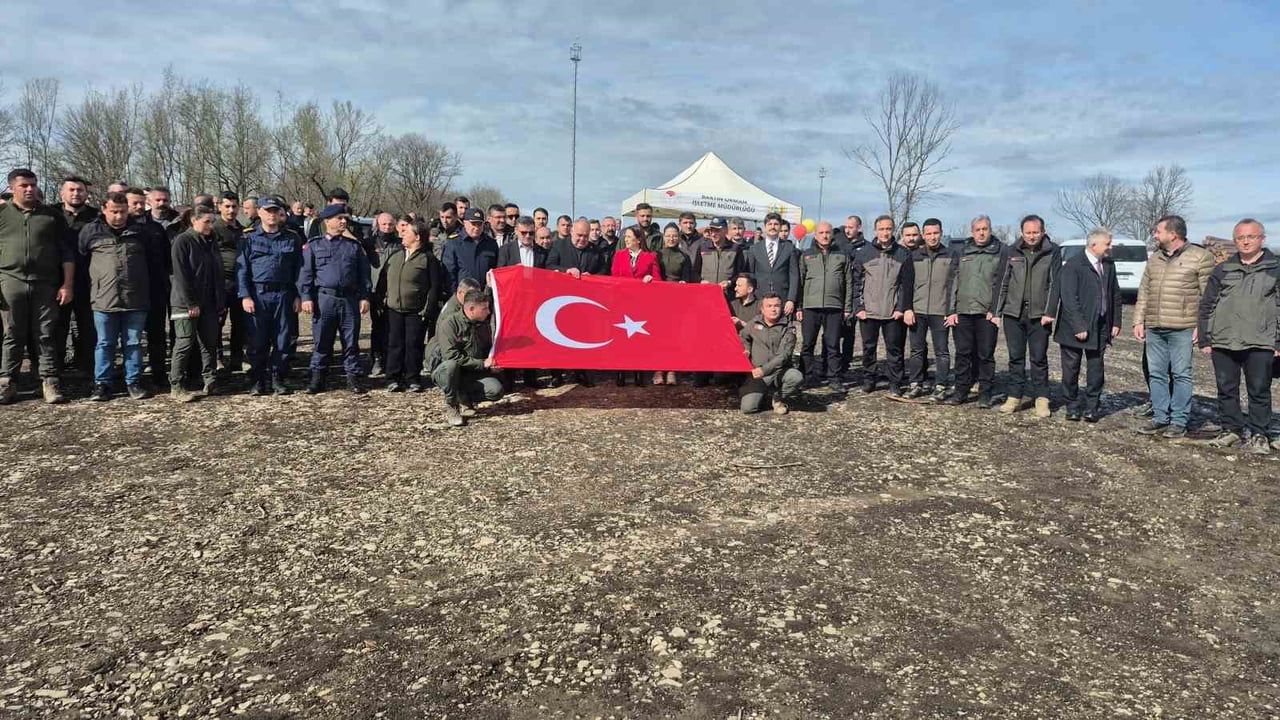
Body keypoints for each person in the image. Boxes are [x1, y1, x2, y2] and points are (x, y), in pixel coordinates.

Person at [1196, 219, 1278, 453]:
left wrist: (1278, 341)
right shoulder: (1223, 269)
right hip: (1224, 340)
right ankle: (1231, 429)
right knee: (1226, 389)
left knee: (1259, 390)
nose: (1245, 241)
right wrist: (1205, 337)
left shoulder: (1275, 268)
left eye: (1250, 236)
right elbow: (1207, 305)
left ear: (1262, 238)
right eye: (1240, 237)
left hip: (1260, 341)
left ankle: (1260, 434)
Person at [1133, 214, 1216, 438]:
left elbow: (1208, 296)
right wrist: (1139, 320)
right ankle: (1160, 417)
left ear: (1173, 234)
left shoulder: (1200, 257)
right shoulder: (1155, 259)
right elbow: (1144, 291)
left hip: (1183, 327)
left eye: (1158, 231)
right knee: (1156, 374)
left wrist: (1202, 325)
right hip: (1155, 326)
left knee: (1181, 374)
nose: (1155, 235)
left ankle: (1178, 421)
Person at [0, 168, 74, 405]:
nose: (30, 189)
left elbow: (67, 254)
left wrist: (67, 284)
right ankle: (7, 382)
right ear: (12, 188)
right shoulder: (2, 214)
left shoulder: (52, 216)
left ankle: (49, 381)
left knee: (45, 333)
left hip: (46, 283)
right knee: (12, 333)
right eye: (24, 186)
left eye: (33, 184)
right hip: (10, 280)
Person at [79, 192, 152, 401]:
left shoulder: (140, 232)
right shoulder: (91, 231)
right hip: (103, 299)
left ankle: (134, 381)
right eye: (114, 212)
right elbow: (82, 261)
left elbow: (154, 263)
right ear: (104, 209)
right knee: (104, 343)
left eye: (122, 212)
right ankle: (102, 383)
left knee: (133, 342)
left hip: (135, 298)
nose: (119, 216)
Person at [299, 204, 372, 395]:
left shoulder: (354, 246)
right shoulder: (314, 245)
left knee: (351, 341)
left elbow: (363, 274)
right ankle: (317, 379)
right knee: (322, 341)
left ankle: (353, 378)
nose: (343, 222)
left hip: (348, 299)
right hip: (325, 299)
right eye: (339, 218)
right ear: (327, 221)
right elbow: (306, 273)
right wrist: (306, 297)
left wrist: (364, 297)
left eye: (345, 218)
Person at [237, 196, 303, 396]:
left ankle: (278, 379)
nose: (272, 215)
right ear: (259, 212)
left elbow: (299, 269)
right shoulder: (248, 238)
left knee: (283, 340)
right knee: (258, 340)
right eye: (268, 211)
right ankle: (257, 380)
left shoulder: (292, 238)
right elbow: (242, 270)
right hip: (258, 294)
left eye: (275, 211)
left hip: (284, 294)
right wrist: (245, 296)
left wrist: (299, 295)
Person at [996, 214, 1061, 417]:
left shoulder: (1053, 251)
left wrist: (1050, 312)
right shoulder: (1011, 251)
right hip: (1013, 313)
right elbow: (1003, 281)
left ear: (1043, 232)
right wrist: (997, 311)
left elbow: (1055, 284)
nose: (1032, 236)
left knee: (1038, 358)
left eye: (1035, 232)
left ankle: (1042, 398)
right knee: (1015, 357)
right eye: (1028, 232)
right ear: (1021, 233)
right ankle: (1014, 396)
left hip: (1039, 315)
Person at [1056, 229, 1122, 422]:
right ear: (1094, 245)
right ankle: (1072, 405)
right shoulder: (1073, 265)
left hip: (1100, 325)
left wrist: (1116, 321)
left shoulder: (1108, 265)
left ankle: (1092, 406)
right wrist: (1079, 325)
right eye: (1107, 244)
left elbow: (1114, 294)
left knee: (1096, 369)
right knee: (1071, 369)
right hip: (1074, 328)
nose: (1111, 247)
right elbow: (1069, 298)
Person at [944, 215, 1008, 407]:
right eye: (978, 229)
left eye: (985, 229)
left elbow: (1002, 283)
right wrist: (951, 310)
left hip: (986, 314)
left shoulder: (1000, 251)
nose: (981, 232)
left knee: (985, 354)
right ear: (972, 231)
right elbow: (952, 280)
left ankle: (985, 394)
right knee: (963, 353)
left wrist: (995, 311)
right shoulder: (961, 250)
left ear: (990, 230)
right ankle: (961, 391)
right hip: (963, 312)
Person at [851, 215, 914, 397]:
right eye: (881, 229)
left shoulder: (903, 254)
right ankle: (869, 379)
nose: (885, 233)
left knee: (894, 349)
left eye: (888, 229)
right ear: (875, 231)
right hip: (868, 312)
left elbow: (905, 285)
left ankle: (895, 382)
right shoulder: (864, 253)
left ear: (893, 230)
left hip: (892, 312)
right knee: (868, 348)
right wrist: (859, 307)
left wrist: (900, 308)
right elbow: (856, 283)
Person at [168, 205, 225, 401]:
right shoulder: (182, 241)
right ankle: (176, 384)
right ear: (194, 221)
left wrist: (219, 301)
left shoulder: (211, 242)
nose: (211, 225)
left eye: (212, 221)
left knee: (209, 343)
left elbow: (217, 273)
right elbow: (182, 276)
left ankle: (210, 381)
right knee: (184, 343)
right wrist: (190, 303)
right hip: (186, 303)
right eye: (206, 221)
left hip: (209, 302)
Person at [380, 218, 441, 393]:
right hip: (393, 309)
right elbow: (383, 280)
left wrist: (427, 310)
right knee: (394, 344)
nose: (402, 234)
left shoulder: (428, 259)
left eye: (406, 232)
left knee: (413, 344)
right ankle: (393, 378)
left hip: (416, 311)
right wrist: (380, 300)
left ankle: (412, 378)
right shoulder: (395, 256)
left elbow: (434, 286)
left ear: (417, 237)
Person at [432, 288, 504, 427]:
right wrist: (482, 364)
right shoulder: (450, 324)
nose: (488, 312)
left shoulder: (483, 325)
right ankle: (452, 405)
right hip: (447, 372)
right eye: (484, 309)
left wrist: (492, 365)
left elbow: (485, 351)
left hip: (471, 373)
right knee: (451, 366)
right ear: (471, 309)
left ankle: (464, 398)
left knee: (496, 390)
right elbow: (451, 356)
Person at [125, 187, 174, 387]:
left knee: (157, 332)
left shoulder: (156, 228)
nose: (161, 203)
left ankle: (159, 372)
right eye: (157, 200)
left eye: (165, 200)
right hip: (131, 286)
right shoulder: (119, 224)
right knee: (132, 334)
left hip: (158, 284)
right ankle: (130, 375)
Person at [797, 222, 853, 392]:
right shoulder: (806, 255)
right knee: (808, 344)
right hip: (810, 306)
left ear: (832, 234)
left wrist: (847, 307)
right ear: (815, 235)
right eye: (821, 232)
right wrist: (799, 307)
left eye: (828, 232)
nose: (825, 236)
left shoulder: (842, 255)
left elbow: (849, 282)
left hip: (834, 306)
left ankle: (834, 378)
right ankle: (808, 376)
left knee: (833, 344)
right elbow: (800, 281)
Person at [905, 218, 954, 400]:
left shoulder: (950, 255)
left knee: (941, 351)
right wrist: (908, 308)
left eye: (936, 233)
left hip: (940, 311)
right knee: (916, 350)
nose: (932, 237)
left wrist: (951, 310)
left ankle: (941, 385)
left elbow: (953, 285)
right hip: (917, 310)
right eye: (929, 233)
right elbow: (907, 285)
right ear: (923, 235)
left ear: (941, 233)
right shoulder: (914, 256)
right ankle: (915, 384)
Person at [57, 175, 100, 375]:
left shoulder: (97, 216)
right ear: (62, 193)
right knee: (58, 327)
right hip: (56, 280)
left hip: (88, 280)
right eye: (71, 190)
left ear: (86, 193)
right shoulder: (52, 214)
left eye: (80, 190)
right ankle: (55, 371)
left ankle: (89, 368)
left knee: (88, 328)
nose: (76, 193)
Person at [610, 225, 661, 386]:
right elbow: (614, 278)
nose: (626, 239)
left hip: (641, 304)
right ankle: (621, 372)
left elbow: (658, 279)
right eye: (625, 237)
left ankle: (639, 373)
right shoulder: (619, 255)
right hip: (622, 303)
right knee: (621, 338)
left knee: (639, 339)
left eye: (629, 237)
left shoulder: (650, 256)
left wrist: (650, 278)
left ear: (638, 240)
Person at [738, 294, 803, 414]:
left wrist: (764, 369)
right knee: (748, 408)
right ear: (762, 309)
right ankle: (759, 393)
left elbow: (784, 355)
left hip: (780, 372)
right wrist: (746, 349)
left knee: (796, 377)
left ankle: (778, 398)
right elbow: (743, 337)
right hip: (758, 374)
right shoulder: (754, 323)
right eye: (769, 306)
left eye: (777, 306)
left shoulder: (788, 327)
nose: (773, 309)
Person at [213, 191, 248, 372]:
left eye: (234, 206)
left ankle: (237, 358)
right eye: (227, 206)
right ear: (219, 207)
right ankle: (217, 358)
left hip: (239, 282)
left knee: (240, 322)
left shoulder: (242, 230)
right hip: (220, 282)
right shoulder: (213, 228)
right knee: (217, 322)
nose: (231, 210)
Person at [366, 212, 401, 378]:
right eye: (384, 224)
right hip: (375, 292)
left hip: (393, 292)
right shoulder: (370, 243)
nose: (387, 227)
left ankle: (390, 360)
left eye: (390, 224)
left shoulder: (399, 244)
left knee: (392, 328)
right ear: (378, 224)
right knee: (377, 327)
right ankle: (376, 358)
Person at [745, 212, 799, 316]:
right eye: (770, 224)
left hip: (782, 300)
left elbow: (794, 275)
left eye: (776, 224)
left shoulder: (789, 248)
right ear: (765, 227)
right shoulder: (754, 249)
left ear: (779, 227)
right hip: (760, 299)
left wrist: (791, 299)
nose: (773, 227)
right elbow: (750, 275)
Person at [835, 215, 867, 377]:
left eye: (851, 227)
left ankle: (846, 362)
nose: (848, 230)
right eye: (846, 227)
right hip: (838, 292)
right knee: (834, 330)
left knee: (849, 330)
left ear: (859, 228)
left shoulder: (865, 247)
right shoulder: (838, 244)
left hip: (855, 292)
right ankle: (832, 361)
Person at [442, 207, 499, 291]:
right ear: (465, 223)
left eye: (479, 224)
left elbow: (495, 270)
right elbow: (449, 274)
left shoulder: (491, 244)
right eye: (473, 224)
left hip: (485, 295)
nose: (476, 228)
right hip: (463, 296)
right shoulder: (454, 243)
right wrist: (454, 295)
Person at [656, 222, 694, 286]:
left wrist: (684, 281)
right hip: (659, 288)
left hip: (677, 289)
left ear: (679, 237)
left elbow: (686, 277)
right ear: (663, 237)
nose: (671, 239)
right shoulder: (656, 255)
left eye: (675, 236)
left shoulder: (685, 257)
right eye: (668, 236)